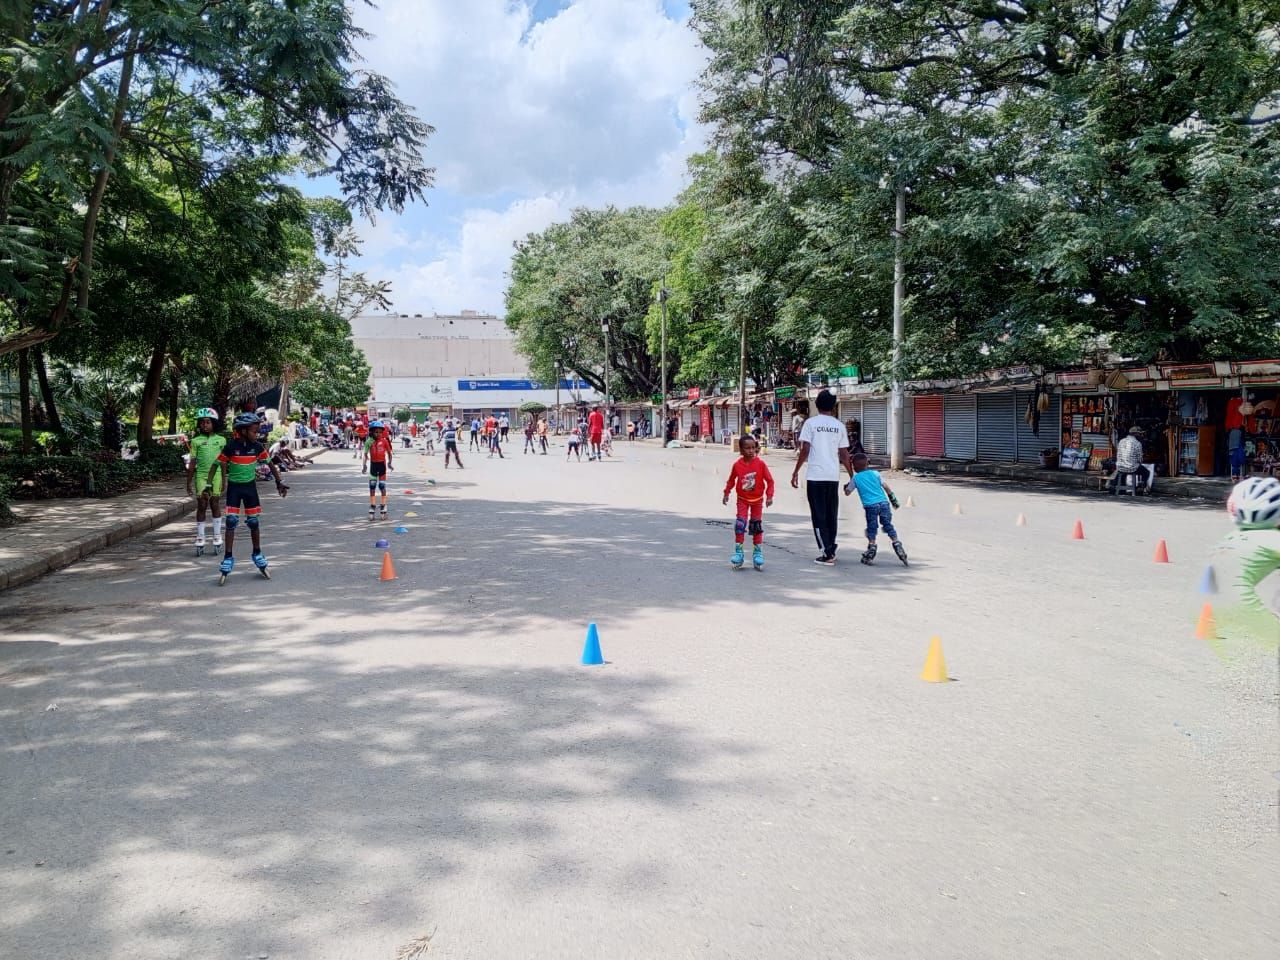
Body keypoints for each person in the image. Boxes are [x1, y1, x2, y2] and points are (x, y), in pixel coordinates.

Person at [209, 413, 286, 581]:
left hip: (250, 488)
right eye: (254, 431)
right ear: (242, 431)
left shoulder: (257, 447)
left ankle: (257, 553)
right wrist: (209, 484)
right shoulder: (230, 447)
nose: (256, 434)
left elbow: (271, 464)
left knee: (253, 522)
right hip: (235, 489)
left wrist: (279, 482)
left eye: (257, 431)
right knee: (231, 521)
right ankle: (228, 557)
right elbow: (216, 464)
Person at [790, 389, 852, 565]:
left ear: (816, 405)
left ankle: (827, 553)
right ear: (834, 406)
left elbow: (805, 450)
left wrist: (796, 471)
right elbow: (844, 454)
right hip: (832, 477)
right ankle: (830, 546)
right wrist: (852, 476)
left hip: (816, 476)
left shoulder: (810, 424)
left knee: (819, 515)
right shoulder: (839, 426)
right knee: (831, 514)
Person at [722, 434, 775, 570]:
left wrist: (769, 496)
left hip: (757, 500)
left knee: (756, 526)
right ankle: (739, 552)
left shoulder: (760, 464)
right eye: (747, 448)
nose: (751, 451)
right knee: (740, 524)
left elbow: (770, 481)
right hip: (742, 500)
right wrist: (726, 493)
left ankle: (757, 553)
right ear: (741, 450)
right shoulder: (737, 465)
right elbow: (731, 480)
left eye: (753, 448)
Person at [845, 452, 906, 565]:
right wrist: (893, 500)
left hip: (870, 507)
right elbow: (886, 486)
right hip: (884, 504)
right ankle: (896, 542)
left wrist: (846, 487)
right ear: (867, 464)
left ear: (854, 467)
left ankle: (872, 547)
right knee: (887, 525)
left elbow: (847, 492)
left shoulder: (855, 478)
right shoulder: (875, 473)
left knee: (872, 528)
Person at [186, 407, 226, 557]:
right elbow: (192, 462)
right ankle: (200, 536)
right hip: (201, 476)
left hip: (216, 476)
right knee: (202, 504)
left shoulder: (221, 440)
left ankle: (217, 535)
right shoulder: (196, 441)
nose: (205, 425)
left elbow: (223, 462)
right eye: (202, 422)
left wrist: (224, 479)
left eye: (208, 422)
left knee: (215, 503)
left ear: (214, 423)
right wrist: (188, 481)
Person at [361, 419, 395, 521]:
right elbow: (365, 454)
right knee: (372, 486)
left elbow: (389, 453)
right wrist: (364, 466)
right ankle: (372, 506)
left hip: (382, 466)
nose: (378, 434)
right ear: (371, 432)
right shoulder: (369, 442)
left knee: (382, 486)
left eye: (380, 432)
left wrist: (389, 463)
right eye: (376, 432)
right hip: (373, 466)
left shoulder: (384, 441)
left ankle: (383, 505)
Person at [1110, 426, 1146, 493]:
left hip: (1120, 467)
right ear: (1136, 434)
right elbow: (1139, 459)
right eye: (1140, 434)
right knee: (1146, 472)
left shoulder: (1121, 441)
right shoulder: (1138, 443)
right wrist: (1139, 462)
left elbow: (1119, 454)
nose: (1141, 435)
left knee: (1123, 472)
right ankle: (1140, 488)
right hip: (1132, 468)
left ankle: (1121, 490)